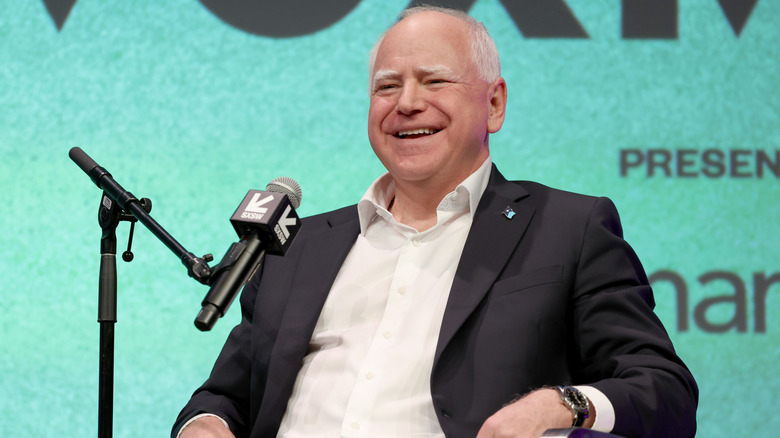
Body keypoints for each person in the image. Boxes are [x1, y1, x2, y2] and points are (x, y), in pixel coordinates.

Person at [173, 6, 698, 438]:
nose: (406, 104)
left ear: (493, 104)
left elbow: (664, 390)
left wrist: (560, 405)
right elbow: (225, 395)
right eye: (386, 87)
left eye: (435, 81)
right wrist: (205, 424)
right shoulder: (300, 245)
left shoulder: (568, 227)